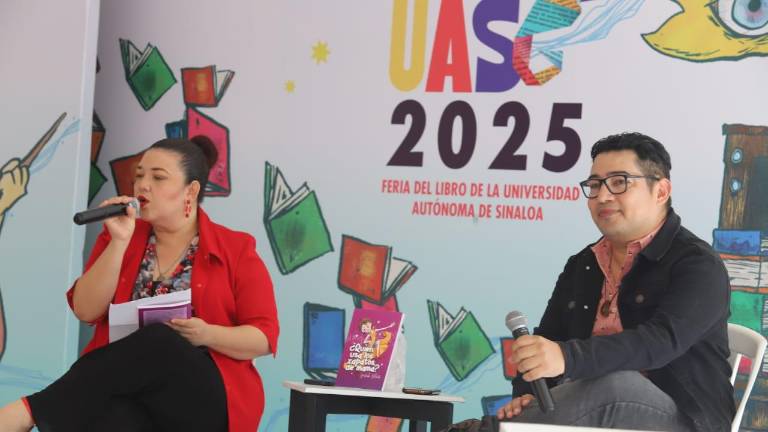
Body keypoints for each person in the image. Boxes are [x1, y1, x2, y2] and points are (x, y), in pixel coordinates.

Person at [0, 136, 280, 432]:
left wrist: (206, 334)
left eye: (158, 177)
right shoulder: (120, 235)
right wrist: (119, 242)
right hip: (135, 394)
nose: (143, 185)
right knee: (109, 413)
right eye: (139, 176)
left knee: (160, 339)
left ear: (191, 190)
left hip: (205, 400)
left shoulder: (236, 248)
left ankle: (26, 413)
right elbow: (85, 310)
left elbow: (263, 337)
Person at [494, 132, 734, 432]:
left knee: (616, 384)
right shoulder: (584, 263)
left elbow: (660, 342)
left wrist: (566, 357)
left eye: (619, 182)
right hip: (588, 408)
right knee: (594, 386)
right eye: (595, 185)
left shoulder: (698, 264)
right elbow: (549, 338)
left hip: (684, 419)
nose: (603, 196)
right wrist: (528, 393)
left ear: (661, 191)